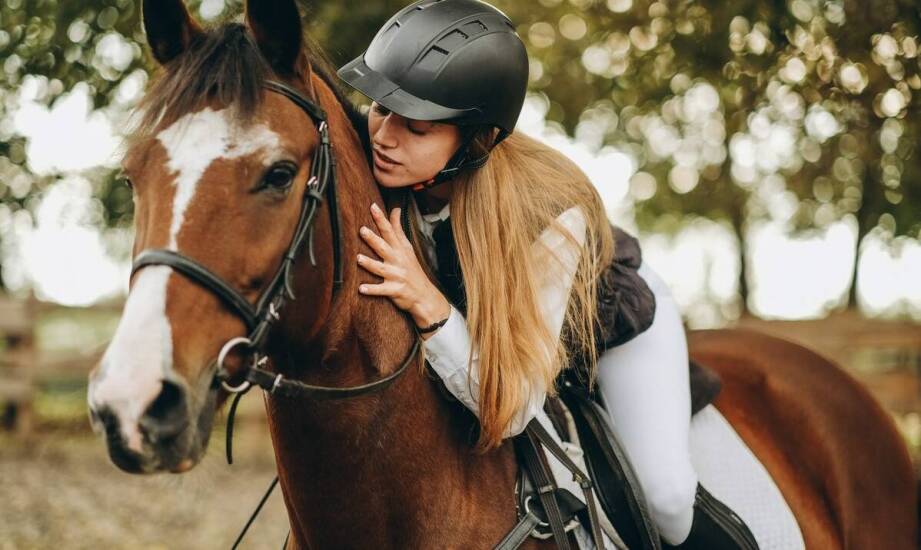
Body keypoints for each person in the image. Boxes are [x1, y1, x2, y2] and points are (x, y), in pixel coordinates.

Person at [337, 1, 758, 548]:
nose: (385, 136)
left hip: (606, 324)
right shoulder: (382, 155)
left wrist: (429, 304)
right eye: (378, 109)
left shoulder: (550, 212)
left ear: (477, 141)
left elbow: (510, 407)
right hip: (494, 336)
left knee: (667, 499)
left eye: (415, 127)